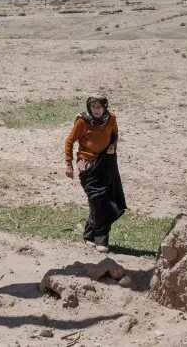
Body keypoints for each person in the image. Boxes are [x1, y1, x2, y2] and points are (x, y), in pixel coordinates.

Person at [64, 94, 127, 253]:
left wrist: (113, 145)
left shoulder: (111, 118)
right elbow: (69, 141)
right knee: (96, 199)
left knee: (105, 200)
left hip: (107, 162)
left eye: (99, 107)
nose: (96, 110)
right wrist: (69, 164)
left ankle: (89, 234)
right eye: (93, 107)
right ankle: (101, 239)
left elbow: (114, 135)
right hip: (88, 164)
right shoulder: (82, 121)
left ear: (105, 107)